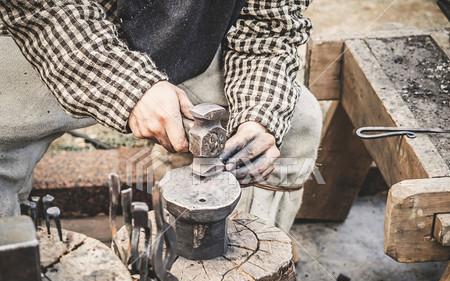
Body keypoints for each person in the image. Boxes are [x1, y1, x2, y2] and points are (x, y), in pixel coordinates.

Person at [0, 0, 322, 232]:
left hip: (185, 50)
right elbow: (40, 10)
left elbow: (268, 30)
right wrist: (127, 84)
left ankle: (241, 253)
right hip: (48, 42)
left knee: (297, 121)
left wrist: (257, 118)